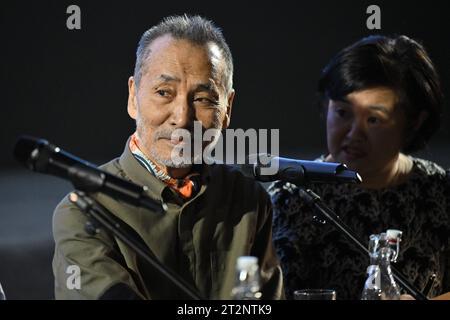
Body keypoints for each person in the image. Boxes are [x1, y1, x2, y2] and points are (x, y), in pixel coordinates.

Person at [52, 15, 284, 300]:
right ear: (133, 97)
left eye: (203, 99)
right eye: (164, 92)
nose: (182, 117)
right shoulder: (85, 212)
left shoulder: (248, 200)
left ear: (227, 110)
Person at [269, 35, 450, 300]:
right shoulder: (291, 196)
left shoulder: (440, 192)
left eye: (374, 119)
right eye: (343, 112)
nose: (355, 133)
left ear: (413, 122)